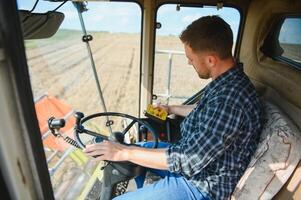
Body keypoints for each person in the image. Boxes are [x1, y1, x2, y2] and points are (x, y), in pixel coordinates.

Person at [84, 15, 263, 200]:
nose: (189, 62)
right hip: (193, 161)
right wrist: (172, 109)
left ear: (211, 60)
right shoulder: (227, 81)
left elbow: (188, 160)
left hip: (202, 184)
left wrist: (122, 152)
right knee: (137, 148)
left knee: (126, 154)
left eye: (191, 58)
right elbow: (207, 112)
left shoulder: (230, 100)